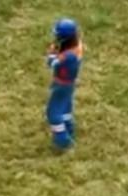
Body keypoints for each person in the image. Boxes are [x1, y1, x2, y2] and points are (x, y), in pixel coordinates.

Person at [44, 18, 83, 150]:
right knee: (65, 106)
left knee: (53, 113)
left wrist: (51, 53)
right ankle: (68, 127)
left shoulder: (67, 56)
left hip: (61, 85)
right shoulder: (77, 47)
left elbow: (51, 63)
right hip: (69, 83)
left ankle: (62, 140)